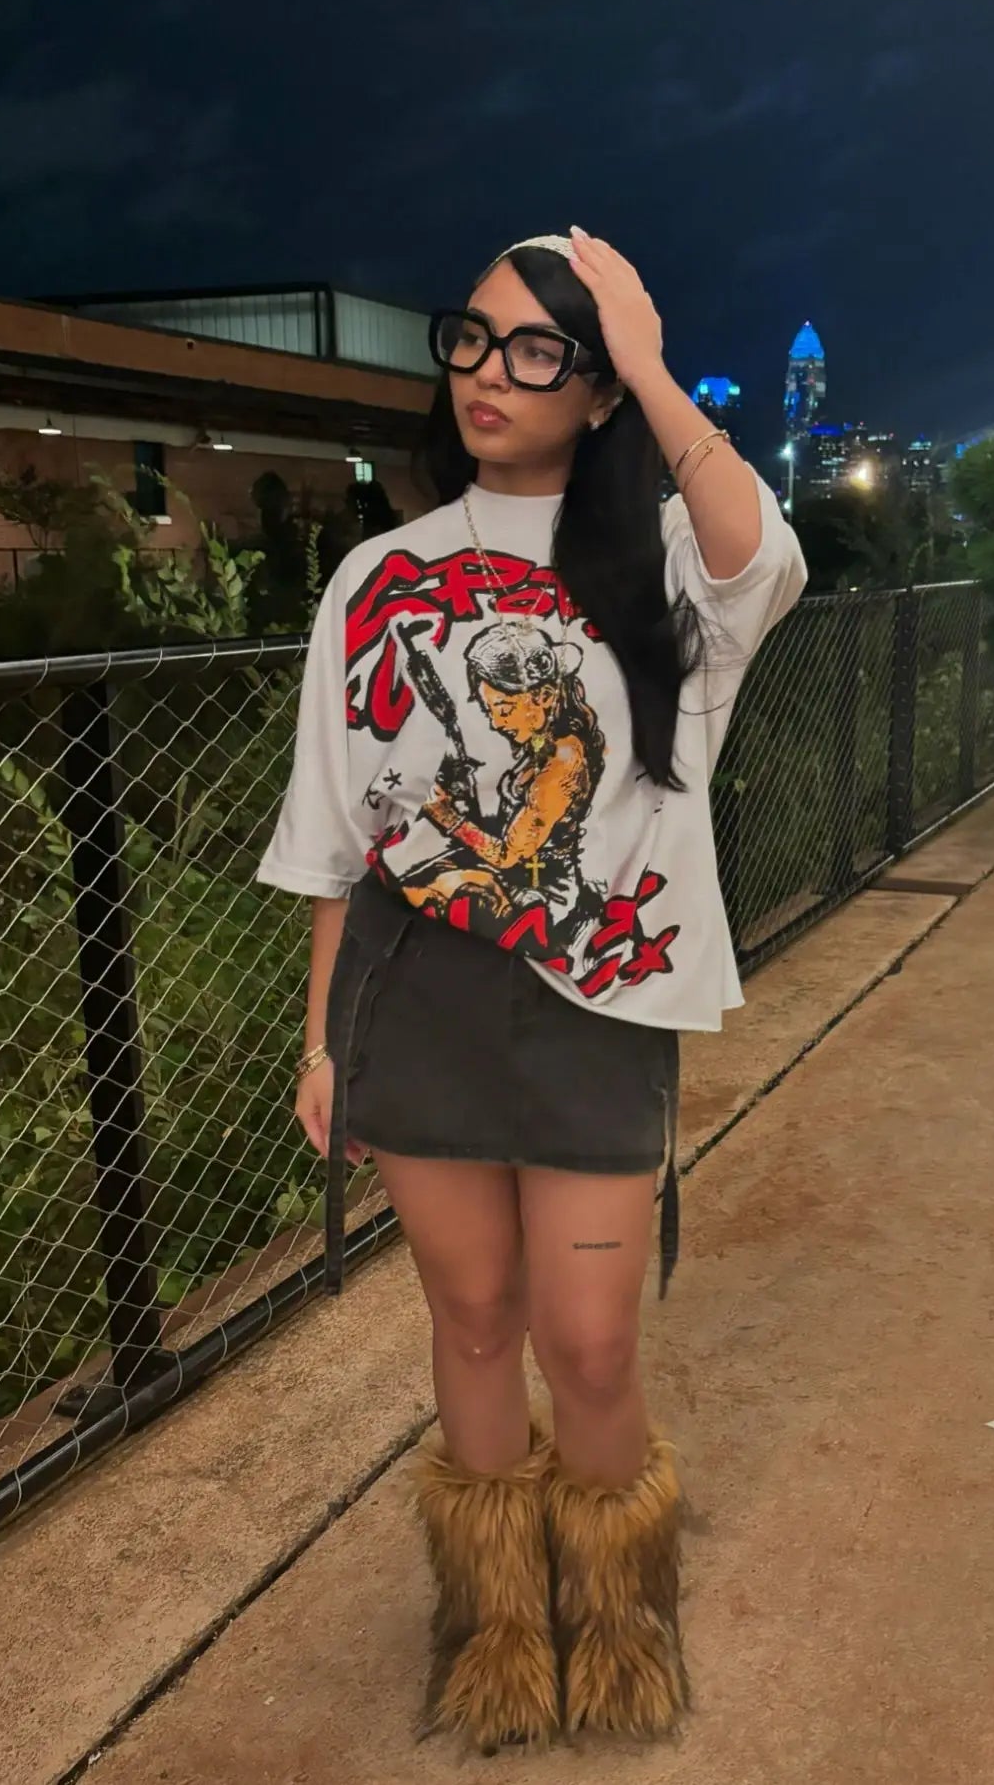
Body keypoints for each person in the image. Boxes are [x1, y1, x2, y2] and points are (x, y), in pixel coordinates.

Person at [258, 227, 806, 1754]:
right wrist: (321, 1044)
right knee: (476, 1315)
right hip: (414, 992)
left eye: (539, 350)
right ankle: (496, 1632)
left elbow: (767, 552)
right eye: (473, 338)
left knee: (592, 1340)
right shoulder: (376, 576)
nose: (490, 372)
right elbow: (335, 837)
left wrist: (648, 356)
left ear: (599, 389)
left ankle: (619, 1626)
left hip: (598, 1002)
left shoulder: (668, 575)